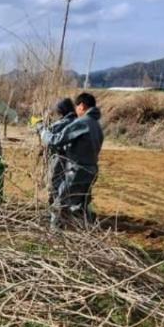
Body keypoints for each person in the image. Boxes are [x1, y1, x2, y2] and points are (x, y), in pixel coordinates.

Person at [39, 92, 104, 226]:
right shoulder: (97, 125)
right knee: (81, 205)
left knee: (60, 205)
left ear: (82, 106)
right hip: (91, 170)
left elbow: (55, 140)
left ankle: (54, 237)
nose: (75, 110)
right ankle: (87, 233)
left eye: (76, 107)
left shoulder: (82, 122)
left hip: (76, 171)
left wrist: (42, 131)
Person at [41, 98, 78, 207]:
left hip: (61, 158)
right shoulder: (78, 121)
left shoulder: (64, 122)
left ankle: (55, 211)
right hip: (75, 161)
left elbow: (49, 135)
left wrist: (41, 128)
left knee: (55, 184)